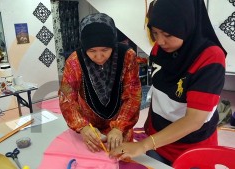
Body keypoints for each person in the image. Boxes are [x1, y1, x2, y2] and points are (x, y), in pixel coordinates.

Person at [110, 0, 227, 165]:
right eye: (155, 33)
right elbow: (159, 91)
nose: (160, 41)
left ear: (187, 25)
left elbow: (194, 120)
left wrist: (144, 144)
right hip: (158, 141)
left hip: (191, 149)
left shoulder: (210, 58)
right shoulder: (161, 49)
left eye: (168, 34)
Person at [58, 13, 142, 153]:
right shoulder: (74, 61)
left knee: (120, 161)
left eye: (105, 50)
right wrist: (83, 127)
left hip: (120, 123)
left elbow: (133, 95)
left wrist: (119, 127)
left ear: (113, 45)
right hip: (89, 127)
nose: (99, 57)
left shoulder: (127, 56)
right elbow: (67, 99)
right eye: (91, 51)